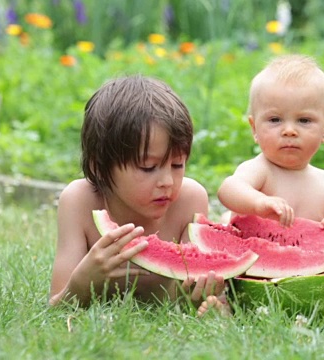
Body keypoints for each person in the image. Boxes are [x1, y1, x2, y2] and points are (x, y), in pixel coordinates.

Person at [49, 75, 227, 315]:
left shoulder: (190, 200)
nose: (167, 182)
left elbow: (183, 296)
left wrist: (195, 298)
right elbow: (56, 308)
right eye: (147, 167)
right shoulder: (79, 202)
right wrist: (81, 283)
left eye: (177, 165)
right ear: (98, 167)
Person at [217, 54, 324, 232]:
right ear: (254, 129)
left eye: (304, 120)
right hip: (252, 252)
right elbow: (228, 189)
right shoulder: (260, 169)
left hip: (312, 259)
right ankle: (225, 218)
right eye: (274, 120)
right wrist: (259, 203)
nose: (289, 130)